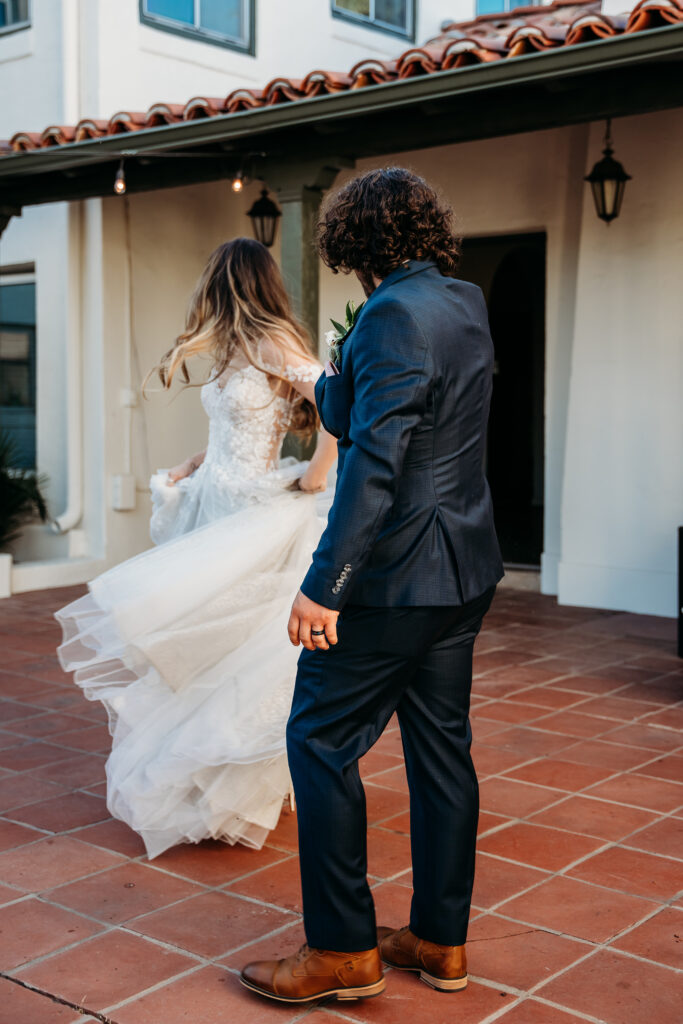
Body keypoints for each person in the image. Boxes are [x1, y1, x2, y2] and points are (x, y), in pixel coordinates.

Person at [240, 168, 504, 1005]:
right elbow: (386, 416)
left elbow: (376, 464)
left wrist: (325, 585)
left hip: (392, 580)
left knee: (319, 742)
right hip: (465, 573)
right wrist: (324, 379)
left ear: (349, 243)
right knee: (441, 757)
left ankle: (343, 951)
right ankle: (438, 938)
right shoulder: (463, 303)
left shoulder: (388, 316)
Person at [55, 238, 337, 859]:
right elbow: (230, 428)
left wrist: (317, 475)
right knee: (200, 641)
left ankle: (235, 783)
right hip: (214, 503)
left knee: (239, 646)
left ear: (232, 284)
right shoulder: (235, 347)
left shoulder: (273, 344)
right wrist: (193, 462)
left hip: (252, 515)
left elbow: (340, 411)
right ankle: (200, 779)